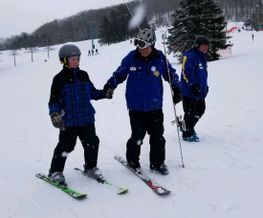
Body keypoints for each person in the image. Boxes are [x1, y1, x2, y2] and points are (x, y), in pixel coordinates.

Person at [103, 28, 182, 175]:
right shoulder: (131, 58)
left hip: (155, 106)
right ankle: (133, 160)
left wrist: (177, 89)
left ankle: (158, 163)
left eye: (145, 46)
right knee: (137, 136)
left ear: (152, 45)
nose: (142, 49)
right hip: (136, 107)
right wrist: (110, 85)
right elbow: (119, 74)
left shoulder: (159, 58)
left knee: (158, 136)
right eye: (139, 45)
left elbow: (170, 74)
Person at [48, 44, 112, 186]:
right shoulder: (59, 79)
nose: (76, 61)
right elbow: (54, 100)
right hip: (69, 121)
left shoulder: (83, 75)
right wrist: (54, 114)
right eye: (73, 59)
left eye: (77, 58)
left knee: (92, 143)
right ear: (64, 61)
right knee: (66, 146)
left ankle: (90, 167)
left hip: (86, 118)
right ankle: (55, 171)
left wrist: (104, 93)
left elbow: (92, 93)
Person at [180, 35, 209, 142]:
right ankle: (187, 134)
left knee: (200, 110)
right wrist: (193, 85)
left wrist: (205, 87)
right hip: (189, 91)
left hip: (200, 91)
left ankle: (188, 127)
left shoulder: (202, 58)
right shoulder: (190, 56)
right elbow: (186, 72)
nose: (206, 48)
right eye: (203, 46)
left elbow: (203, 75)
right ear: (197, 46)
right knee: (190, 113)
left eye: (207, 46)